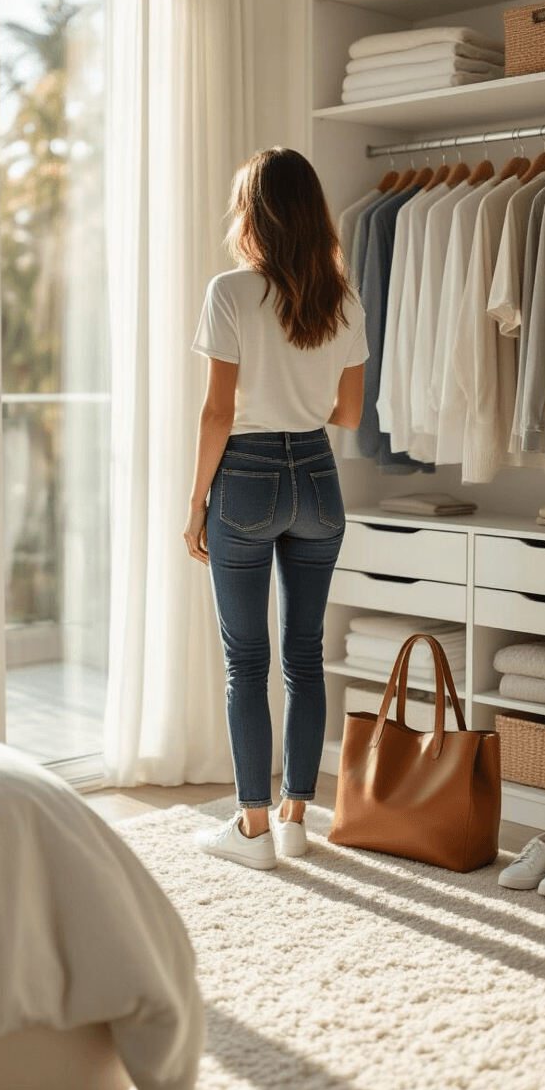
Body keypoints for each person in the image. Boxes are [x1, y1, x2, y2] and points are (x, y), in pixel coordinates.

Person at [183, 147, 367, 870]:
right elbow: (348, 413)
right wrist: (301, 386)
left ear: (254, 214)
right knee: (305, 656)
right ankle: (295, 816)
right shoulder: (343, 299)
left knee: (246, 662)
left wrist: (195, 501)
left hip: (249, 479)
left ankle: (252, 829)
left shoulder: (230, 292)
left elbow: (216, 414)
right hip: (319, 477)